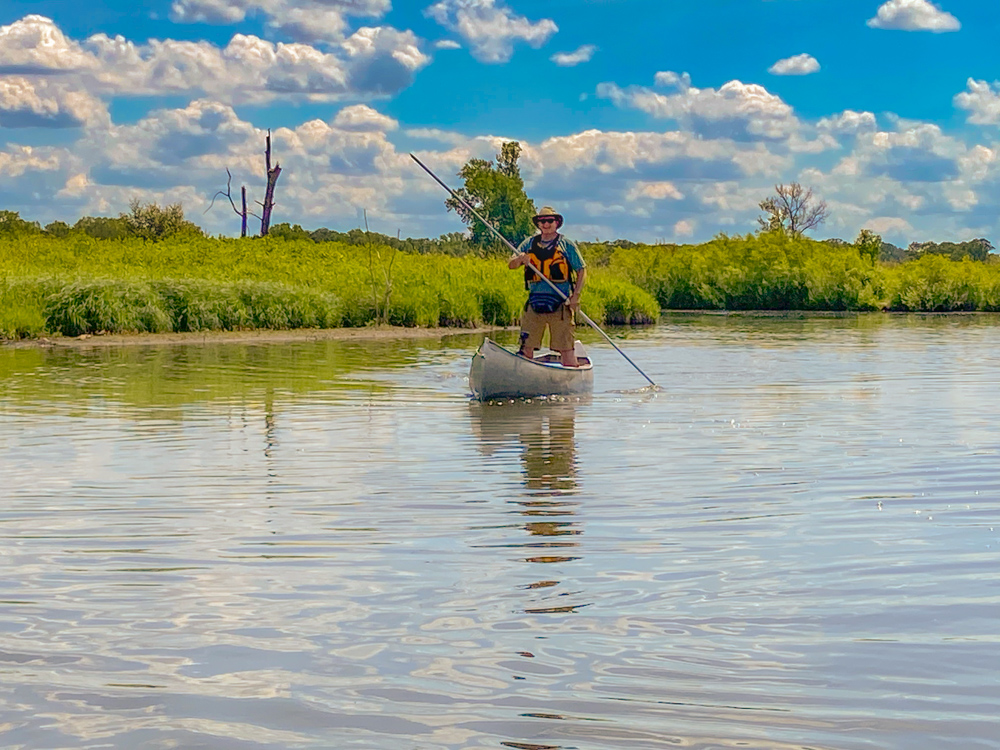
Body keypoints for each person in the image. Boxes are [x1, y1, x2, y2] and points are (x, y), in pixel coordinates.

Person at [508, 206, 587, 367]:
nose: (546, 224)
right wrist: (520, 259)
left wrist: (576, 296)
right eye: (542, 221)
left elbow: (581, 270)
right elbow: (511, 264)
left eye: (550, 221)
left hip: (560, 303)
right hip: (535, 303)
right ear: (538, 224)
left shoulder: (566, 245)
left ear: (556, 223)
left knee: (565, 348)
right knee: (526, 346)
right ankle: (524, 375)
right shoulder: (529, 243)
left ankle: (570, 378)